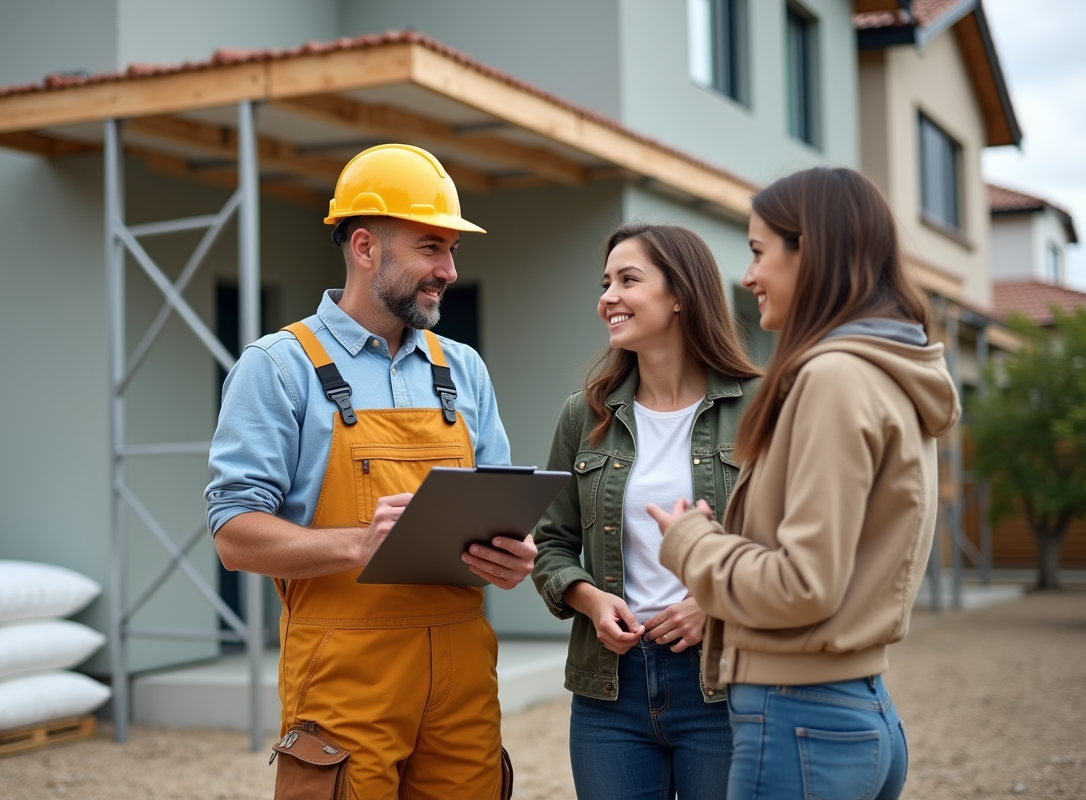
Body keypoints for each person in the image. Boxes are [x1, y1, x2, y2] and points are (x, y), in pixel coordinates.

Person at [206, 143, 536, 800]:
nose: (448, 269)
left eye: (451, 251)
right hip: (343, 677)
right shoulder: (277, 367)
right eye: (430, 247)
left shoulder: (463, 369)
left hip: (464, 672)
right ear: (365, 247)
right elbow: (233, 534)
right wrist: (357, 542)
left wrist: (514, 556)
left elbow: (504, 504)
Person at [648, 167, 961, 800]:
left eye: (760, 252)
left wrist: (691, 542)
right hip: (852, 712)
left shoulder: (836, 380)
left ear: (809, 252)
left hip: (799, 720)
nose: (749, 276)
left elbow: (803, 585)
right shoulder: (887, 372)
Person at [532, 223, 762, 800]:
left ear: (680, 293)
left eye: (628, 280)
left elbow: (792, 544)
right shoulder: (581, 416)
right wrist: (589, 598)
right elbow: (551, 542)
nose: (608, 296)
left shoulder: (762, 407)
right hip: (610, 690)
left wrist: (715, 603)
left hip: (724, 681)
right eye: (605, 282)